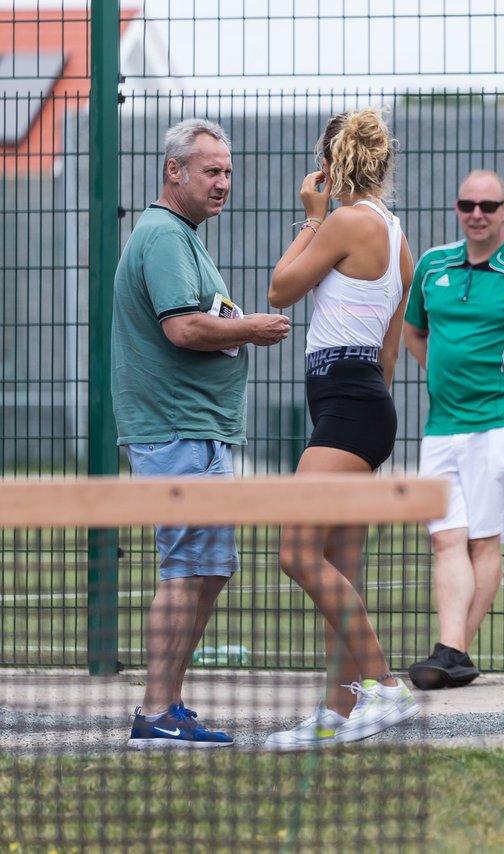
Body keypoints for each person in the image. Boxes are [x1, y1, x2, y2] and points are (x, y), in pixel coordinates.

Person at [113, 118, 292, 748]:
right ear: (175, 172)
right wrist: (252, 329)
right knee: (184, 568)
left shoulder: (184, 236)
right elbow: (183, 329)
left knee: (210, 569)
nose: (223, 183)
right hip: (173, 429)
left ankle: (167, 706)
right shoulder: (162, 234)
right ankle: (154, 713)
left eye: (228, 172)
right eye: (211, 171)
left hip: (201, 429)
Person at [262, 108, 419, 749]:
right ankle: (339, 706)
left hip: (348, 408)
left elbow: (279, 289)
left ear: (332, 165)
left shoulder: (345, 223)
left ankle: (385, 687)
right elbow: (388, 348)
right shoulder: (395, 232)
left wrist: (311, 216)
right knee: (336, 561)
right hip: (360, 404)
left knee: (295, 551)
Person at [404, 170, 504, 690]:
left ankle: (452, 651)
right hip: (440, 428)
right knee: (444, 539)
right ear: (457, 207)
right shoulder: (431, 266)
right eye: (467, 204)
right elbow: (412, 330)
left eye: (488, 205)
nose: (477, 213)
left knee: (483, 541)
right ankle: (454, 654)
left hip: (501, 425)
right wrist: (439, 375)